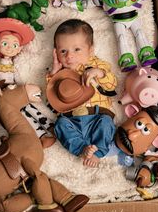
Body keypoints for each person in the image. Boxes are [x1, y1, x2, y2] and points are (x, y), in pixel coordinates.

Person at [46, 19, 117, 167]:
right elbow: (51, 95)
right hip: (71, 119)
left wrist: (100, 74)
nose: (69, 56)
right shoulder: (60, 72)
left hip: (98, 115)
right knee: (60, 125)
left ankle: (97, 153)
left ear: (90, 50)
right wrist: (53, 73)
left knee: (107, 123)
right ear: (55, 52)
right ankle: (82, 149)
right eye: (63, 51)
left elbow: (112, 85)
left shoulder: (98, 66)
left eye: (77, 49)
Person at [0, 17, 55, 148]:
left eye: (15, 45)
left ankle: (50, 127)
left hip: (16, 92)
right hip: (6, 97)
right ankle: (42, 137)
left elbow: (18, 77)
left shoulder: (14, 65)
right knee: (23, 117)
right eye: (5, 44)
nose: (10, 48)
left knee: (31, 109)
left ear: (19, 49)